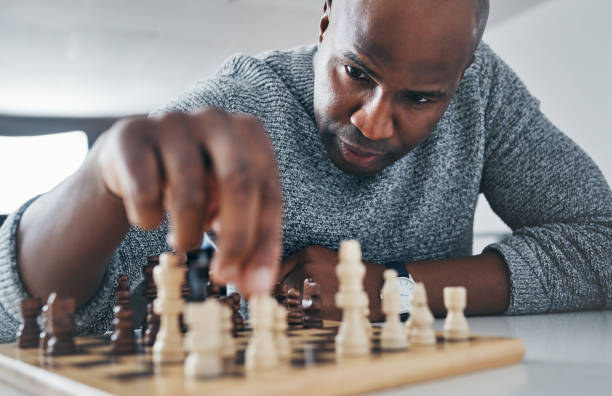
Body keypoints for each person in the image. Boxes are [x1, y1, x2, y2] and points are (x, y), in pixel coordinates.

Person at [0, 0, 611, 342]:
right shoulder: (237, 105)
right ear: (325, 25)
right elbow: (28, 310)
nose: (374, 123)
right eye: (357, 73)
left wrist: (382, 289)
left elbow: (601, 243)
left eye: (421, 98)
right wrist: (100, 181)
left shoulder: (485, 93)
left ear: (465, 71)